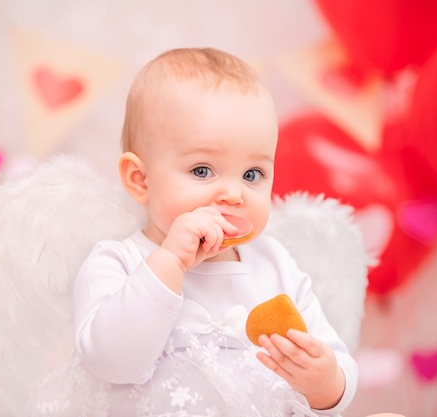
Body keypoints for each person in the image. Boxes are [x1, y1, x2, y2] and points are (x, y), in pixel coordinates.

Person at [73, 47, 358, 417]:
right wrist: (170, 262)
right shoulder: (118, 263)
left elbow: (337, 360)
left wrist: (325, 384)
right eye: (203, 170)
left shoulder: (275, 265)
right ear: (140, 180)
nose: (234, 194)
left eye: (252, 175)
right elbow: (111, 363)